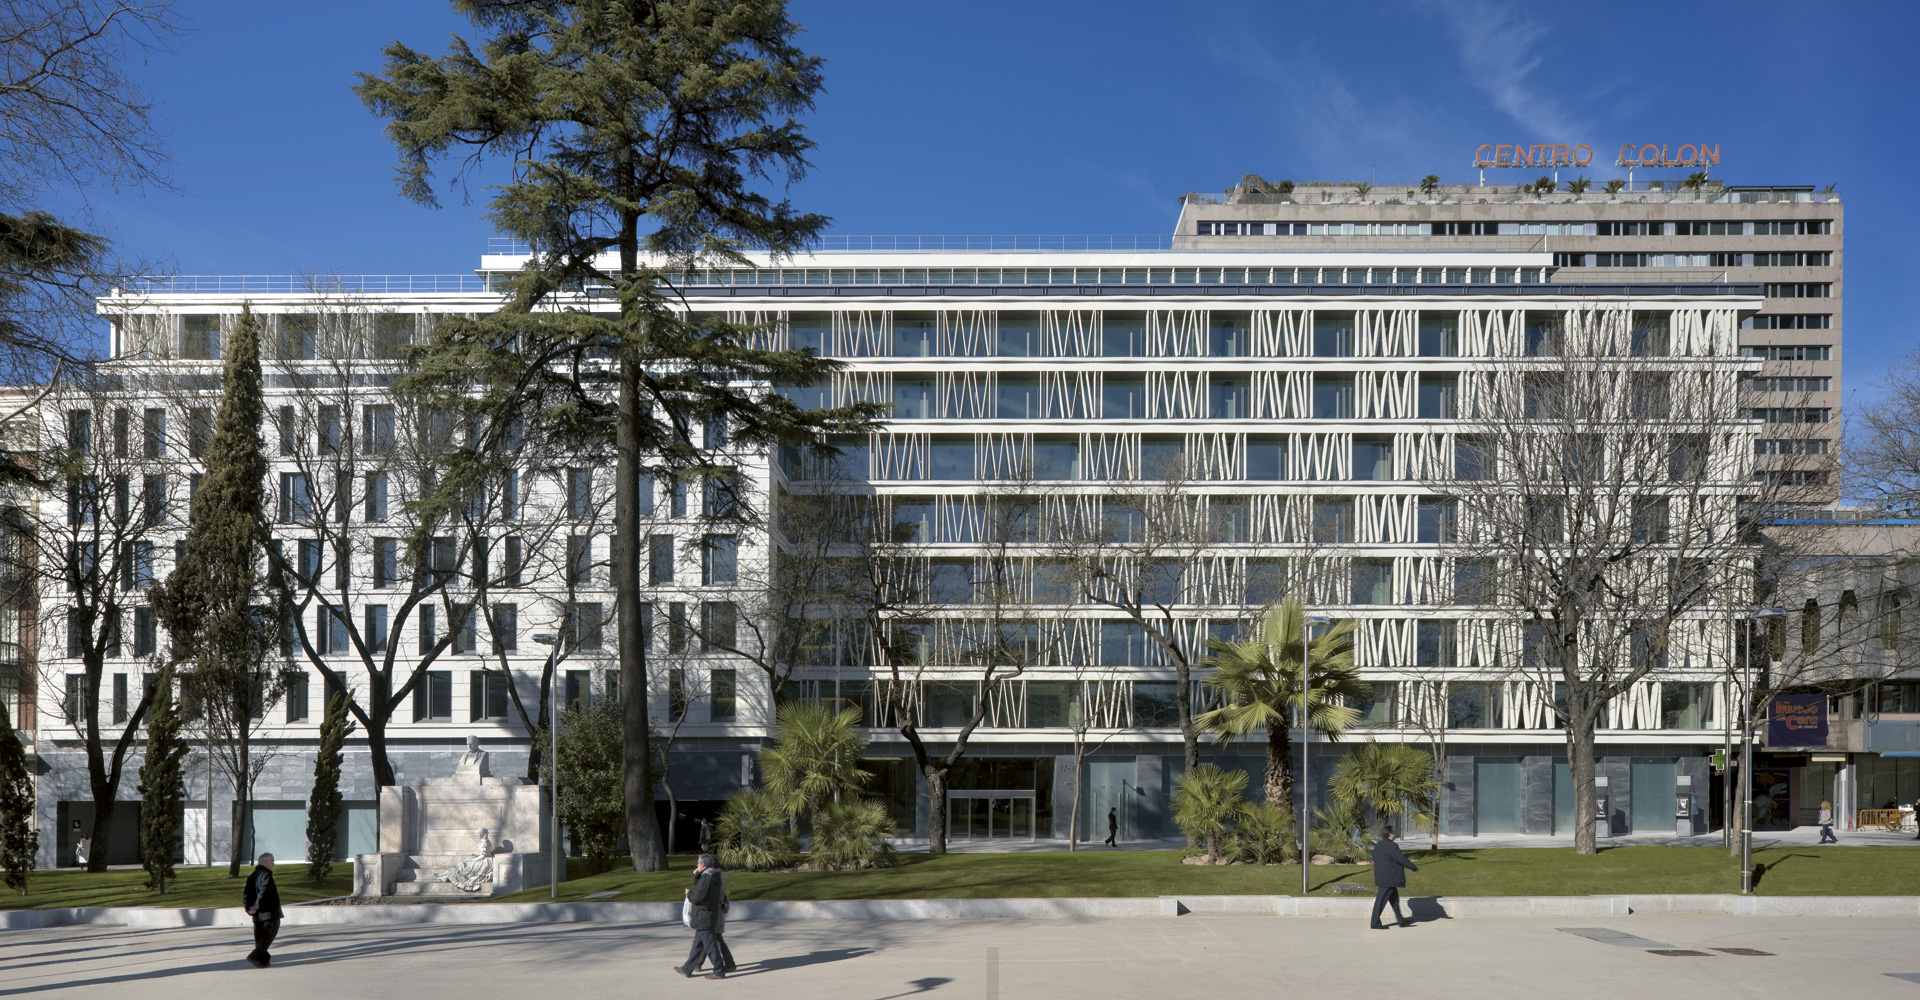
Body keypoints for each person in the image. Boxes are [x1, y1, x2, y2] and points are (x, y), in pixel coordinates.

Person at [672, 853, 732, 980]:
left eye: (698, 863)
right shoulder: (712, 875)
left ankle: (719, 971)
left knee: (711, 946)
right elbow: (701, 888)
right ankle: (687, 969)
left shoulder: (707, 877)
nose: (697, 865)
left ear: (703, 864)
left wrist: (689, 894)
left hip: (704, 915)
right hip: (706, 915)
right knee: (698, 945)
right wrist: (697, 875)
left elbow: (698, 897)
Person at [1369, 827, 1418, 930]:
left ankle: (1401, 920)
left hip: (1383, 876)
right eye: (1394, 833)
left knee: (1394, 899)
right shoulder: (1391, 846)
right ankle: (1375, 922)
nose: (1394, 835)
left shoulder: (1378, 845)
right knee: (1381, 900)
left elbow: (1375, 858)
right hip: (1389, 877)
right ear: (1390, 834)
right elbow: (1400, 858)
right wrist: (1413, 867)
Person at [243, 853, 283, 968]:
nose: (273, 864)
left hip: (257, 915)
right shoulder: (265, 875)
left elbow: (246, 894)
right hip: (269, 914)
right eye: (272, 861)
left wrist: (249, 908)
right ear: (264, 862)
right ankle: (255, 956)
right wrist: (256, 907)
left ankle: (263, 960)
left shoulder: (252, 876)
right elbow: (264, 892)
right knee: (266, 938)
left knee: (261, 939)